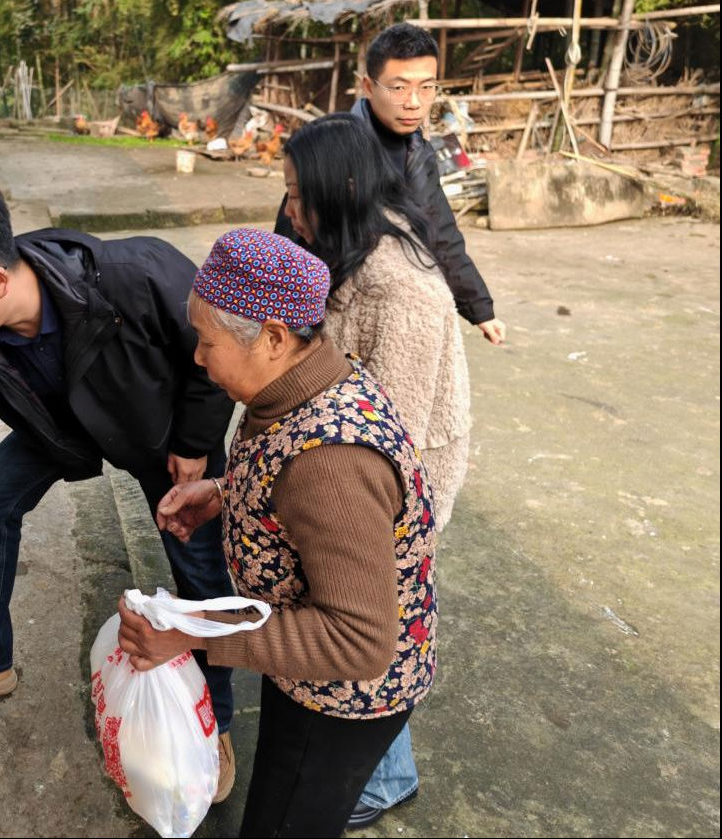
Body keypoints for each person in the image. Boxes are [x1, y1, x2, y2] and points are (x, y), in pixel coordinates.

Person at [0, 178, 240, 801]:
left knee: (198, 560)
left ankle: (214, 720)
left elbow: (214, 356)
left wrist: (194, 442)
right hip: (63, 431)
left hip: (161, 431)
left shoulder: (136, 274)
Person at [118, 228, 437, 838]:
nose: (198, 358)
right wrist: (226, 494)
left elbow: (358, 641)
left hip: (343, 695)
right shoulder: (304, 383)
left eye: (207, 342)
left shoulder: (331, 462)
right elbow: (288, 486)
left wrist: (191, 634)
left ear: (271, 337)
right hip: (308, 671)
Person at [281, 112, 472, 828]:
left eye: (300, 194)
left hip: (402, 478)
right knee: (363, 619)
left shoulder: (403, 291)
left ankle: (386, 775)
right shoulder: (346, 246)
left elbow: (385, 432)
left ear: (340, 189)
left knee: (373, 627)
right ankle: (379, 763)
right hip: (364, 465)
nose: (290, 211)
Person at [275, 21, 507, 346]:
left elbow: (441, 232)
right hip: (331, 318)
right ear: (368, 87)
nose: (414, 102)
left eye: (426, 87)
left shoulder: (419, 151)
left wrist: (480, 307)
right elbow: (292, 238)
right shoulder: (333, 150)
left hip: (395, 320)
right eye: (399, 88)